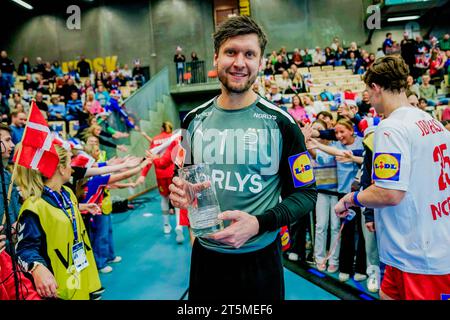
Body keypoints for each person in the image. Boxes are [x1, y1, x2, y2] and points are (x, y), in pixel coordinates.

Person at [168, 15, 317, 301]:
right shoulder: (193, 120)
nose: (239, 62)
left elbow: (306, 194)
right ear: (216, 58)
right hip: (206, 259)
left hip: (259, 261)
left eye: (249, 54)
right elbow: (181, 178)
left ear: (261, 62)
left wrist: (259, 223)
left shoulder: (281, 123)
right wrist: (180, 193)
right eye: (231, 52)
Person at [335, 55, 450, 300]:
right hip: (416, 245)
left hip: (418, 254)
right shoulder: (431, 121)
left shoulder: (391, 127)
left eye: (368, 91)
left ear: (376, 88)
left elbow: (389, 192)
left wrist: (350, 199)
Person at [15, 144, 102, 300]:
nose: (72, 169)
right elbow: (24, 249)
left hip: (80, 273)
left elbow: (62, 215)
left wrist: (80, 207)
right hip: (58, 287)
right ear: (61, 169)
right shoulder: (34, 206)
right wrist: (37, 267)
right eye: (70, 163)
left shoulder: (67, 193)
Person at [135, 122, 185, 243]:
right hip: (174, 172)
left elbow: (150, 157)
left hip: (160, 173)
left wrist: (142, 175)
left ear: (161, 128)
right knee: (178, 199)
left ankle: (166, 225)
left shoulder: (156, 139)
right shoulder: (175, 138)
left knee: (164, 199)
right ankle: (179, 225)